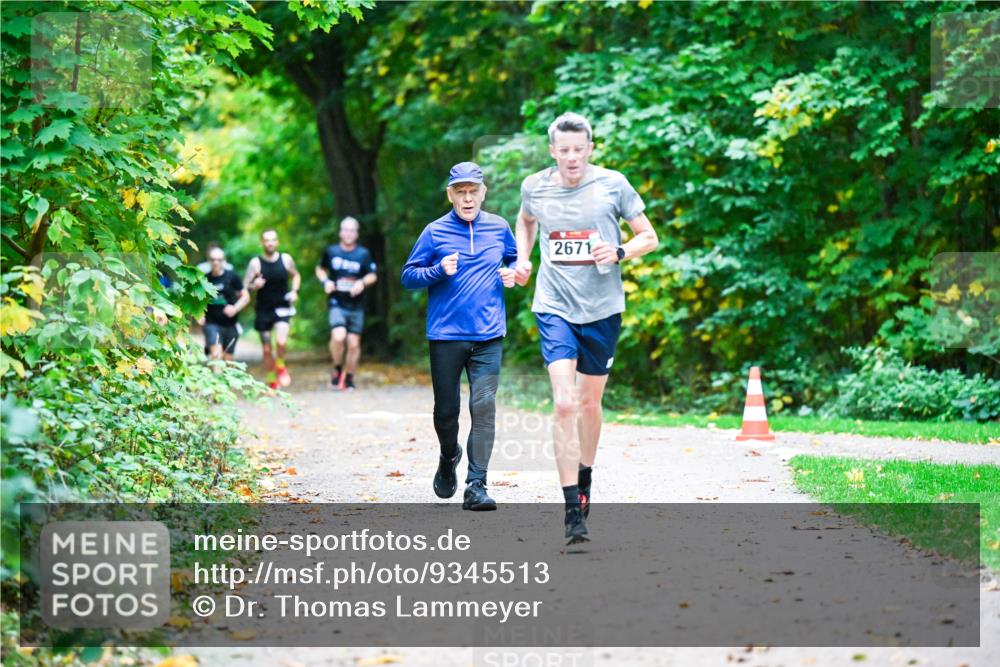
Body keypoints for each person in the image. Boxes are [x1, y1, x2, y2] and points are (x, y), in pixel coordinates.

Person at [514, 112, 658, 544]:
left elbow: (649, 237)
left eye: (579, 150)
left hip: (602, 309)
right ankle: (570, 508)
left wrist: (617, 252)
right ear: (552, 151)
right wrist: (523, 258)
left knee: (590, 404)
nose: (572, 158)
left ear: (590, 149)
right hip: (554, 306)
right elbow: (525, 221)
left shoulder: (613, 184)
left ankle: (585, 475)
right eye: (564, 150)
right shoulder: (534, 186)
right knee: (563, 404)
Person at [401, 162, 519, 511]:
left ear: (483, 192)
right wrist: (438, 270)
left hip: (488, 335)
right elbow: (409, 276)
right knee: (446, 411)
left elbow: (513, 259)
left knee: (483, 408)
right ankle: (448, 454)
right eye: (460, 192)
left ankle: (476, 485)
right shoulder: (435, 232)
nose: (468, 199)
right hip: (446, 335)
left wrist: (513, 273)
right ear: (450, 195)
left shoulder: (499, 227)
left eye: (473, 191)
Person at [315, 217, 378, 391]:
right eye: (345, 230)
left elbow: (373, 275)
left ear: (356, 234)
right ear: (340, 232)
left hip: (357, 304)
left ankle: (349, 377)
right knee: (338, 336)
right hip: (336, 302)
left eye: (352, 230)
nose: (349, 233)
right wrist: (326, 282)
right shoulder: (331, 251)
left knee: (354, 343)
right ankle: (336, 369)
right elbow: (320, 269)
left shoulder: (363, 254)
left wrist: (361, 283)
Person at [244, 229, 301, 390]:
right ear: (262, 242)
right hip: (263, 309)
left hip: (283, 307)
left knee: (281, 342)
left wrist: (294, 291)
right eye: (267, 240)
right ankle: (271, 379)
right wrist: (254, 286)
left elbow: (296, 275)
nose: (270, 243)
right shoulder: (255, 263)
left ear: (277, 242)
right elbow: (244, 287)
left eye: (273, 240)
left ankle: (281, 365)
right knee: (267, 348)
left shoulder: (286, 259)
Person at [198, 246, 249, 368]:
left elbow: (246, 297)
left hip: (230, 324)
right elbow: (196, 299)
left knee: (228, 363)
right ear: (208, 261)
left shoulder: (232, 277)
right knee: (217, 356)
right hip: (211, 323)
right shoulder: (204, 279)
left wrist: (235, 308)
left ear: (224, 261)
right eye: (213, 259)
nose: (216, 262)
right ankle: (215, 383)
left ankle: (223, 385)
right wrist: (198, 314)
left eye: (219, 260)